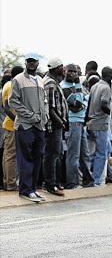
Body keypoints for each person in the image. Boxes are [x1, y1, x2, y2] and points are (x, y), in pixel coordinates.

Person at [8, 53, 48, 202]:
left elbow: (44, 101)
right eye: (29, 61)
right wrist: (30, 115)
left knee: (38, 157)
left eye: (34, 61)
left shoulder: (40, 80)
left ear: (38, 63)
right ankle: (25, 190)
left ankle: (33, 189)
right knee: (25, 158)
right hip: (25, 125)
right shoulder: (18, 79)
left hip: (39, 125)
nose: (31, 63)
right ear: (26, 63)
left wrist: (45, 116)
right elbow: (13, 102)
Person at [61, 64, 94, 189]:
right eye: (70, 71)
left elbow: (84, 102)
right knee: (73, 155)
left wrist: (80, 104)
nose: (73, 74)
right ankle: (72, 183)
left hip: (80, 122)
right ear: (65, 72)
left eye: (75, 72)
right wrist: (79, 90)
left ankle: (88, 181)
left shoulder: (74, 86)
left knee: (84, 154)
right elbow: (78, 102)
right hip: (72, 122)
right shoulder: (64, 87)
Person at [42, 58, 67, 196]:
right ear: (56, 68)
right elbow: (50, 109)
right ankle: (50, 185)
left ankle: (54, 182)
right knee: (51, 156)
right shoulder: (50, 84)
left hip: (56, 125)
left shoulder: (53, 82)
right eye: (61, 67)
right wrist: (61, 122)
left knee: (56, 155)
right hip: (53, 126)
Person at [86, 66, 112, 186]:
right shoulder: (106, 88)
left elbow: (89, 104)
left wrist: (87, 122)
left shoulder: (95, 86)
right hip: (101, 124)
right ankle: (96, 180)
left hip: (91, 124)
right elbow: (103, 105)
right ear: (108, 75)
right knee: (102, 154)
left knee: (92, 154)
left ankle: (89, 178)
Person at [2, 66, 23, 192]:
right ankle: (11, 184)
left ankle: (8, 182)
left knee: (8, 155)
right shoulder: (11, 86)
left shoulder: (9, 84)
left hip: (9, 125)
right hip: (11, 126)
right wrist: (17, 121)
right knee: (10, 155)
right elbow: (6, 108)